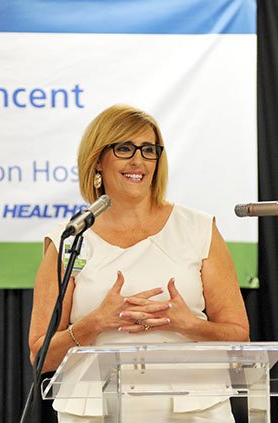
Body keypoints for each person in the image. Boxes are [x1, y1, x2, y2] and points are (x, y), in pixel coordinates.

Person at [28, 104, 250, 422]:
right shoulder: (71, 239)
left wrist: (187, 325)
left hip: (195, 410)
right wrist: (96, 322)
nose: (138, 160)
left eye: (148, 150)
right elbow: (41, 356)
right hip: (96, 412)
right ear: (97, 161)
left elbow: (239, 334)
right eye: (124, 148)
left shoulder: (198, 229)